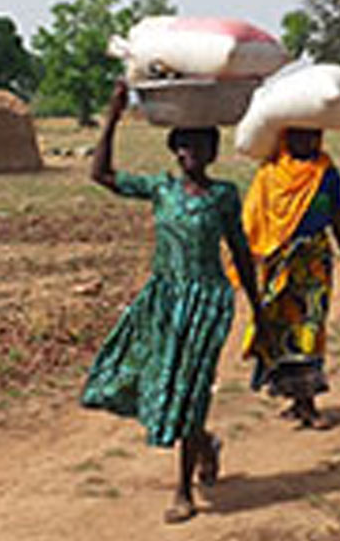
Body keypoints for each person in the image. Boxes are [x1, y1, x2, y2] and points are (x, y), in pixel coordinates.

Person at [80, 80, 261, 523]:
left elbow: (239, 250)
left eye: (200, 146)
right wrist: (113, 116)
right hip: (164, 300)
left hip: (208, 302)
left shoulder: (224, 196)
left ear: (213, 152)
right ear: (174, 151)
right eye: (183, 147)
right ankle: (205, 444)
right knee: (163, 386)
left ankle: (183, 491)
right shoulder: (160, 189)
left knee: (191, 389)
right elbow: (101, 176)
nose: (191, 154)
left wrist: (259, 308)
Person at [237, 127, 340, 430]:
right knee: (279, 330)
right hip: (278, 263)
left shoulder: (326, 173)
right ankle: (295, 398)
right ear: (285, 138)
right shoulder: (270, 175)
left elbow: (339, 217)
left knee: (310, 328)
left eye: (312, 136)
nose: (307, 142)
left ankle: (308, 404)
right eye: (299, 136)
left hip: (314, 261)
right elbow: (254, 221)